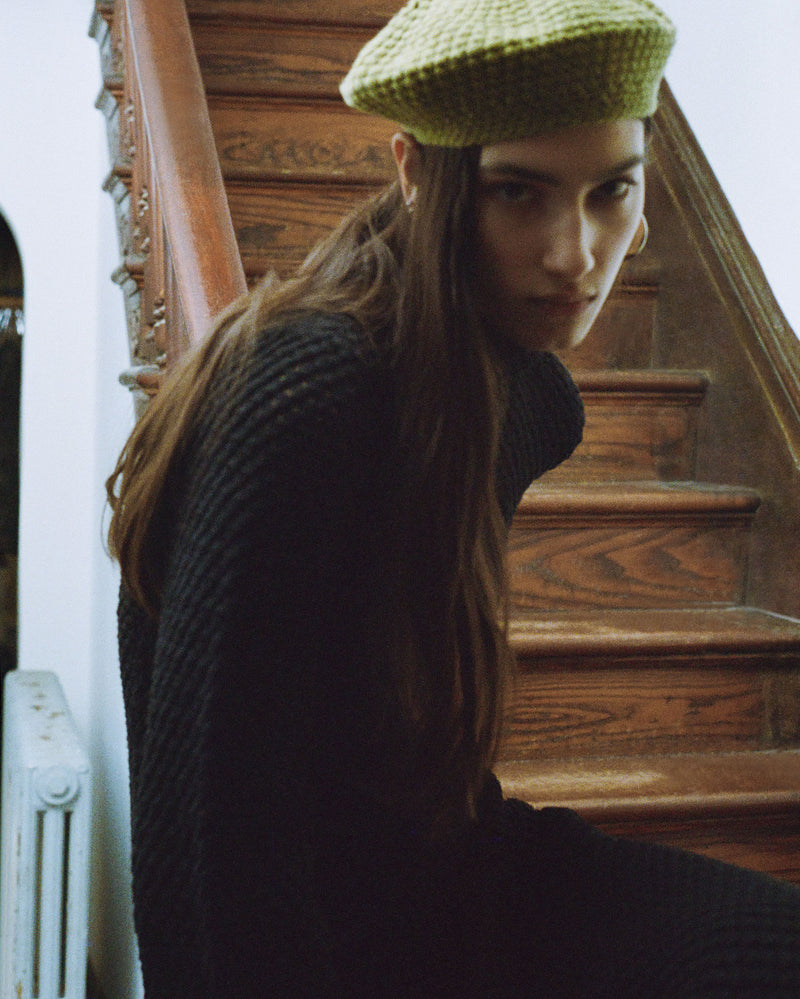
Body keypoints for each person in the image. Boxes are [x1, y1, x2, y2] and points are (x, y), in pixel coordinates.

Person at [106, 0, 800, 995]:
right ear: (414, 174)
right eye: (517, 193)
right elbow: (205, 853)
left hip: (458, 871)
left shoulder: (520, 395)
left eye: (610, 191)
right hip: (339, 939)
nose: (574, 253)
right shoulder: (311, 387)